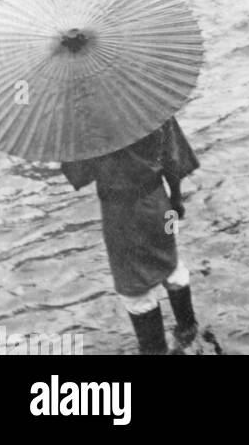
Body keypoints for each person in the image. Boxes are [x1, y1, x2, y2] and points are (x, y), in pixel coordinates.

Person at [60, 117, 200, 355]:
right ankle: (189, 332)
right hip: (160, 208)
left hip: (119, 217)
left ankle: (155, 350)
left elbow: (78, 176)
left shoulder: (87, 123)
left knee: (133, 285)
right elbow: (175, 161)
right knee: (172, 261)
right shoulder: (153, 108)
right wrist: (175, 201)